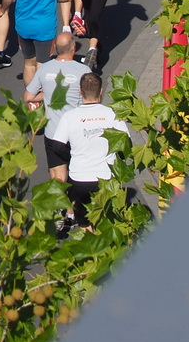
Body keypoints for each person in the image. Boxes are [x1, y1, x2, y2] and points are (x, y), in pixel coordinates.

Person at [45, 73, 127, 230]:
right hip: (107, 177)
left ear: (80, 92)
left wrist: (73, 156)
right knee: (106, 219)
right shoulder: (112, 114)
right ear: (101, 91)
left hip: (79, 178)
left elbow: (57, 146)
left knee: (84, 222)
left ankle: (89, 239)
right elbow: (126, 143)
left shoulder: (69, 117)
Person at [25, 32, 93, 182]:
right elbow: (91, 100)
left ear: (55, 47)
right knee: (80, 171)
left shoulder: (44, 69)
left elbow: (28, 97)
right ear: (73, 48)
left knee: (57, 173)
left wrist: (48, 94)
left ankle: (60, 196)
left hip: (53, 133)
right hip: (77, 132)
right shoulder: (83, 71)